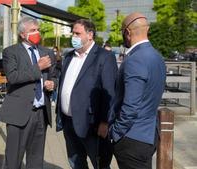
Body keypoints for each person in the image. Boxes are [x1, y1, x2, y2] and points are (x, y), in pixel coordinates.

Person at [55, 19, 117, 169]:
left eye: (77, 33)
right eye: (73, 33)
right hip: (69, 121)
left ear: (90, 35)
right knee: (76, 163)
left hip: (91, 124)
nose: (73, 37)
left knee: (99, 164)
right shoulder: (69, 56)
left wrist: (105, 121)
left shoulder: (104, 57)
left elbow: (109, 91)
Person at [108, 12, 166, 169]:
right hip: (148, 134)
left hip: (131, 139)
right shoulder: (157, 56)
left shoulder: (135, 59)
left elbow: (131, 105)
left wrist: (115, 132)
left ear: (127, 32)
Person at [0, 17, 57, 169]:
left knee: (36, 158)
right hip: (19, 113)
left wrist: (53, 84)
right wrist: (38, 67)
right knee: (14, 158)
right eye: (33, 30)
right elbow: (13, 77)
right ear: (23, 34)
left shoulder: (47, 52)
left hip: (41, 112)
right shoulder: (10, 52)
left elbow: (55, 76)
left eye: (37, 30)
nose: (37, 33)